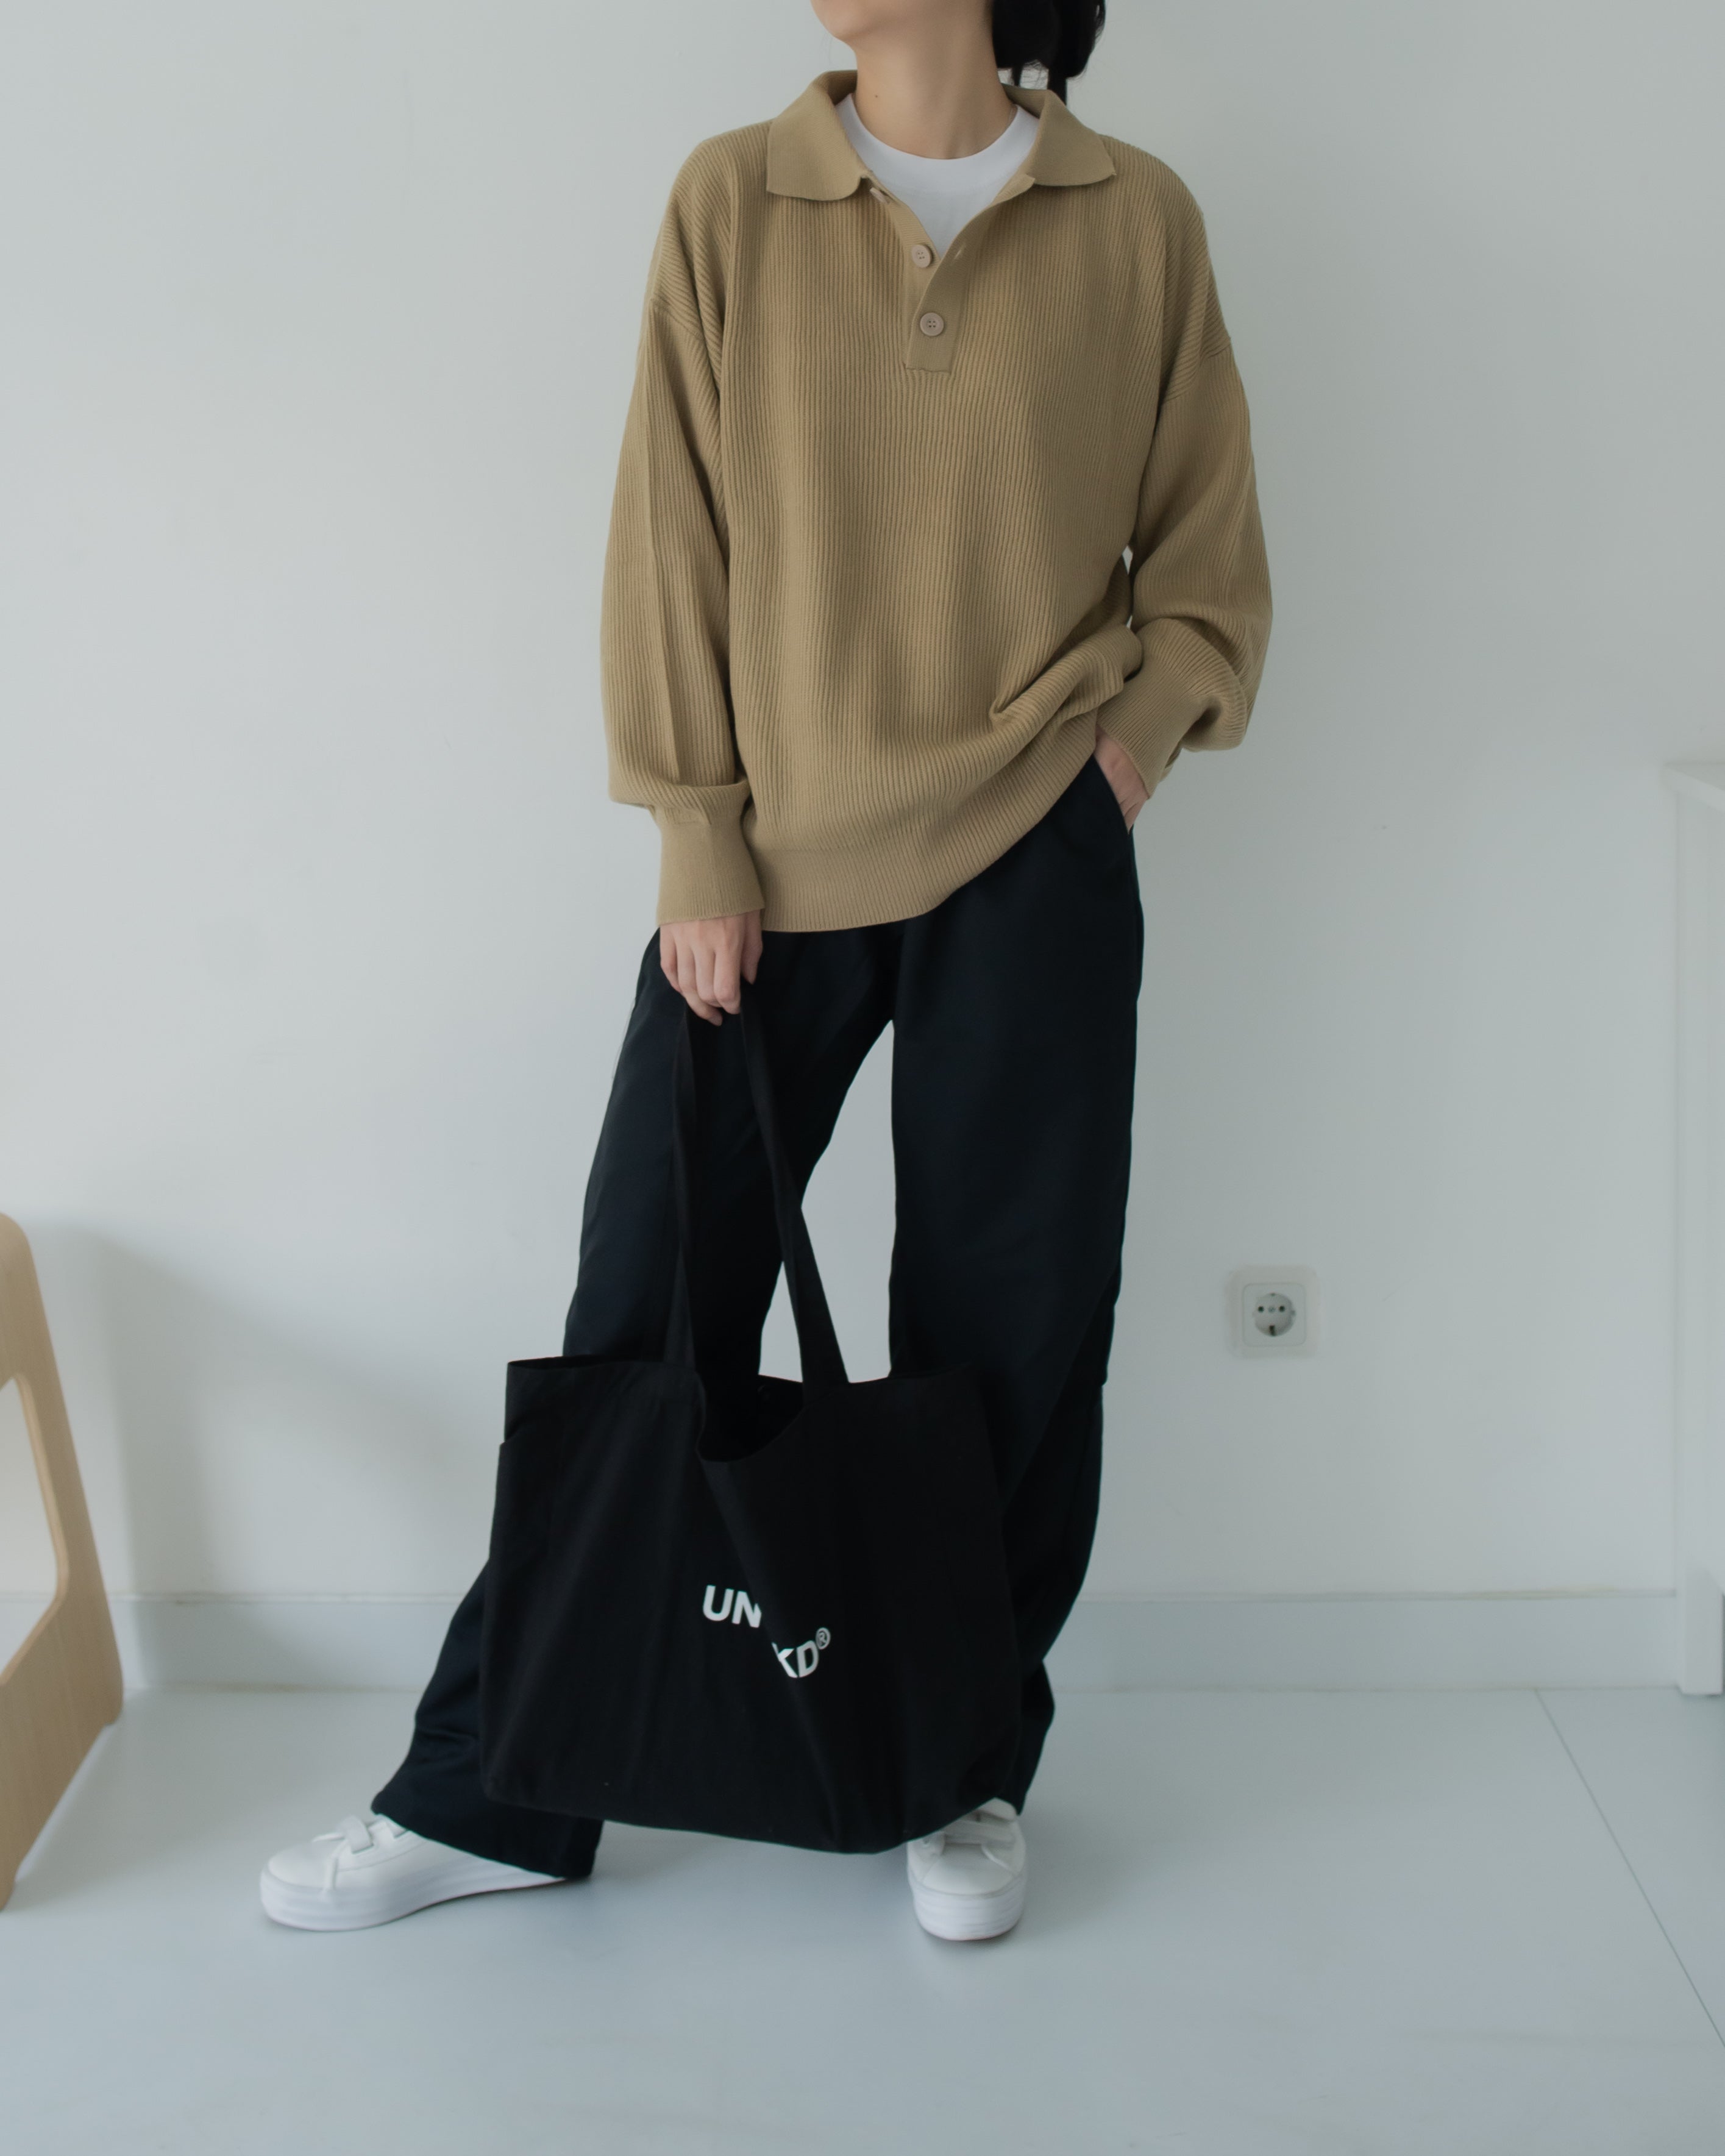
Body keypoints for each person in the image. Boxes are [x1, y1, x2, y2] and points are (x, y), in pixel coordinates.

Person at [260, 0, 1270, 1944]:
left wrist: (1121, 759)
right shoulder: (737, 197)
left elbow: (1210, 557)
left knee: (1011, 1333)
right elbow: (673, 536)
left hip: (1038, 861)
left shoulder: (1134, 218)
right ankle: (496, 1784)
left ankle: (955, 1764)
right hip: (772, 865)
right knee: (646, 1308)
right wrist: (697, 831)